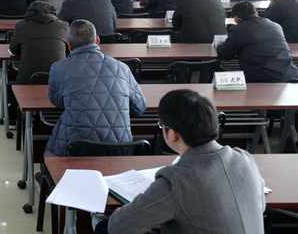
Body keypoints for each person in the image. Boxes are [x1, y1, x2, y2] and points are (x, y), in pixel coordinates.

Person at [98, 89, 265, 234]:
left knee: (103, 227)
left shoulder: (176, 180)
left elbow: (118, 227)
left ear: (172, 134)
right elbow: (260, 207)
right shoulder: (245, 159)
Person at [45, 20, 146, 157]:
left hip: (75, 148)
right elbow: (139, 108)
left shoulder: (58, 68)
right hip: (120, 149)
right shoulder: (122, 67)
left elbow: (57, 101)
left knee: (50, 156)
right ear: (97, 40)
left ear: (69, 45)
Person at [217, 1, 298, 82]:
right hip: (290, 77)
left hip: (261, 80)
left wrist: (221, 45)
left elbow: (224, 54)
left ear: (237, 19)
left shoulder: (238, 30)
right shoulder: (276, 26)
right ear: (256, 14)